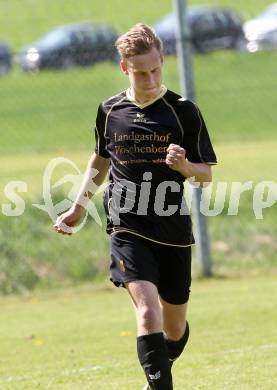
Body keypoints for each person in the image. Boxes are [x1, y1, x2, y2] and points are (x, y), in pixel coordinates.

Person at [54, 23, 217, 390]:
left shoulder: (183, 111)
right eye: (141, 72)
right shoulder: (110, 110)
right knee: (148, 312)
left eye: (156, 69)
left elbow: (205, 175)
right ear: (125, 68)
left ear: (163, 61)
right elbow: (100, 160)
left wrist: (184, 166)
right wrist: (79, 206)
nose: (150, 77)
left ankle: (155, 372)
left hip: (172, 228)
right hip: (126, 224)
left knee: (174, 330)